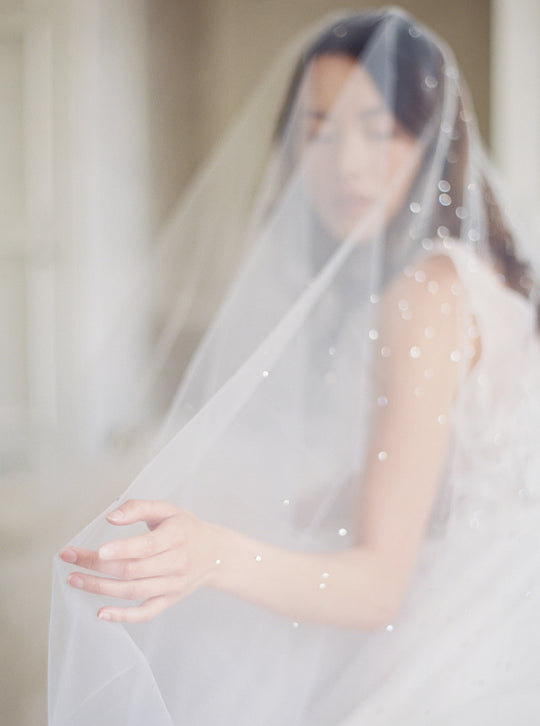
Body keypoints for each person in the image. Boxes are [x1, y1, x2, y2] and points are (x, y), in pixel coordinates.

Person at [50, 8, 540, 725]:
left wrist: (215, 555)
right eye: (320, 129)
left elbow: (378, 590)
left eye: (378, 130)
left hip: (464, 623)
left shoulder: (426, 295)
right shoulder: (470, 271)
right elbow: (444, 466)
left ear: (433, 134)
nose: (346, 163)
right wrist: (321, 500)